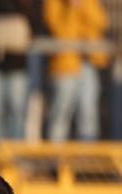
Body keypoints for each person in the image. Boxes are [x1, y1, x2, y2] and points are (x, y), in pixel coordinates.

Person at [43, 0, 108, 141]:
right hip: (64, 65)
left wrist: (82, 5)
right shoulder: (54, 3)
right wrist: (72, 8)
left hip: (88, 63)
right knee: (60, 114)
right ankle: (57, 158)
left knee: (88, 115)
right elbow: (61, 32)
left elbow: (99, 22)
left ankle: (86, 159)